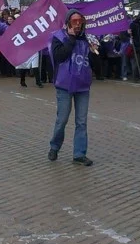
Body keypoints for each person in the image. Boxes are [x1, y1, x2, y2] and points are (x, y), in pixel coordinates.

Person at [47, 9, 94, 166]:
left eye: (80, 22)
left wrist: (95, 51)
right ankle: (54, 146)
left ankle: (79, 154)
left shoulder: (87, 39)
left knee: (81, 121)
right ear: (68, 23)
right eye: (74, 22)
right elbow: (60, 56)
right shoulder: (58, 37)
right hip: (64, 84)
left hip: (82, 85)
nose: (78, 25)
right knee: (62, 120)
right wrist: (71, 38)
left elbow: (95, 64)